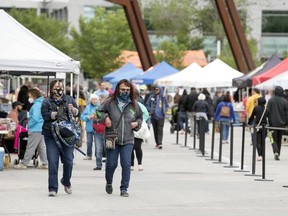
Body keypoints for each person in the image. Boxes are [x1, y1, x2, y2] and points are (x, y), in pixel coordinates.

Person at [97, 79, 142, 197]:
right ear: (118, 89)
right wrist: (105, 118)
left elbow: (140, 117)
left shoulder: (134, 104)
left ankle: (124, 188)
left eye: (127, 90)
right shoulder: (110, 102)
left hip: (128, 139)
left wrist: (137, 123)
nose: (125, 92)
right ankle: (109, 182)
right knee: (111, 164)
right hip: (113, 138)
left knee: (126, 164)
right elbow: (98, 112)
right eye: (123, 89)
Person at [41, 80, 80, 197]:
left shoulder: (69, 99)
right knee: (53, 162)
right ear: (52, 88)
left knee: (68, 161)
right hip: (51, 135)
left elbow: (78, 113)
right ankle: (52, 188)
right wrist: (56, 114)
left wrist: (73, 110)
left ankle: (66, 181)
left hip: (66, 135)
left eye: (60, 86)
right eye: (56, 86)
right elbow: (44, 115)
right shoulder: (46, 101)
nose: (58, 89)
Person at [14, 88, 48, 169]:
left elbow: (35, 118)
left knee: (30, 147)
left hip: (35, 129)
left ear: (34, 96)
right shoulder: (41, 103)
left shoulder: (36, 105)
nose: (29, 98)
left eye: (29, 96)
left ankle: (24, 163)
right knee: (41, 147)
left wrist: (29, 125)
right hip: (41, 128)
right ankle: (45, 163)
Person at [266, 86, 288, 160]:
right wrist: (286, 123)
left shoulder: (271, 100)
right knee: (279, 139)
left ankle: (275, 151)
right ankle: (278, 152)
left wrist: (268, 120)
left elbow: (267, 111)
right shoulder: (285, 101)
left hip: (272, 124)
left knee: (272, 138)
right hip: (282, 124)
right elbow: (286, 114)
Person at [131, 89, 149, 171]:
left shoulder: (140, 106)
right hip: (130, 129)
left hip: (138, 129)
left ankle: (139, 163)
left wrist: (140, 121)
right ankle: (133, 164)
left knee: (136, 147)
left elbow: (146, 115)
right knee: (131, 147)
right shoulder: (127, 105)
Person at [146, 85, 169, 149]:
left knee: (160, 130)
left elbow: (167, 105)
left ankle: (160, 143)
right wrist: (150, 110)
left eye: (157, 89)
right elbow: (147, 104)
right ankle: (157, 143)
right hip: (153, 116)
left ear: (160, 90)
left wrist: (165, 110)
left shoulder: (164, 97)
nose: (156, 91)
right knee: (155, 130)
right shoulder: (151, 96)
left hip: (161, 117)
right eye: (155, 89)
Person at [80, 94, 99, 161]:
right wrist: (87, 117)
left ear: (97, 100)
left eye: (95, 99)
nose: (94, 101)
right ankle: (89, 155)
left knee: (97, 142)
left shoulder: (100, 106)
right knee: (89, 142)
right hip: (89, 127)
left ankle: (98, 155)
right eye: (93, 99)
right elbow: (82, 116)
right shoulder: (88, 107)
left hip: (97, 127)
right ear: (90, 100)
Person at [248, 97, 267, 161]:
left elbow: (251, 117)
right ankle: (262, 154)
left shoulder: (256, 108)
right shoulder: (266, 109)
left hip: (258, 126)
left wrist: (249, 123)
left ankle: (259, 155)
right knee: (262, 141)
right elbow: (269, 118)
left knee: (258, 141)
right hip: (265, 127)